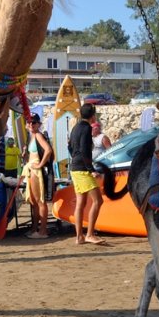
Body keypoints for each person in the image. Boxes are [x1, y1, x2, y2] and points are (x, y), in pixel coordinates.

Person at [69, 103, 104, 245]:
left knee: (81, 203)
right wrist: (91, 170)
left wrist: (74, 157)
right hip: (83, 170)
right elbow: (85, 150)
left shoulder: (75, 128)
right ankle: (89, 234)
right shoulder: (86, 128)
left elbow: (70, 146)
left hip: (74, 167)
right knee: (98, 201)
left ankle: (79, 237)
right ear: (92, 116)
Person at [22, 114, 53, 240]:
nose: (31, 124)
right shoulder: (31, 136)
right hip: (31, 170)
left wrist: (40, 164)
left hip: (36, 171)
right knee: (34, 202)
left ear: (38, 124)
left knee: (40, 201)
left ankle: (42, 231)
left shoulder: (38, 135)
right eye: (29, 122)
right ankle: (35, 228)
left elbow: (48, 150)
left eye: (33, 122)